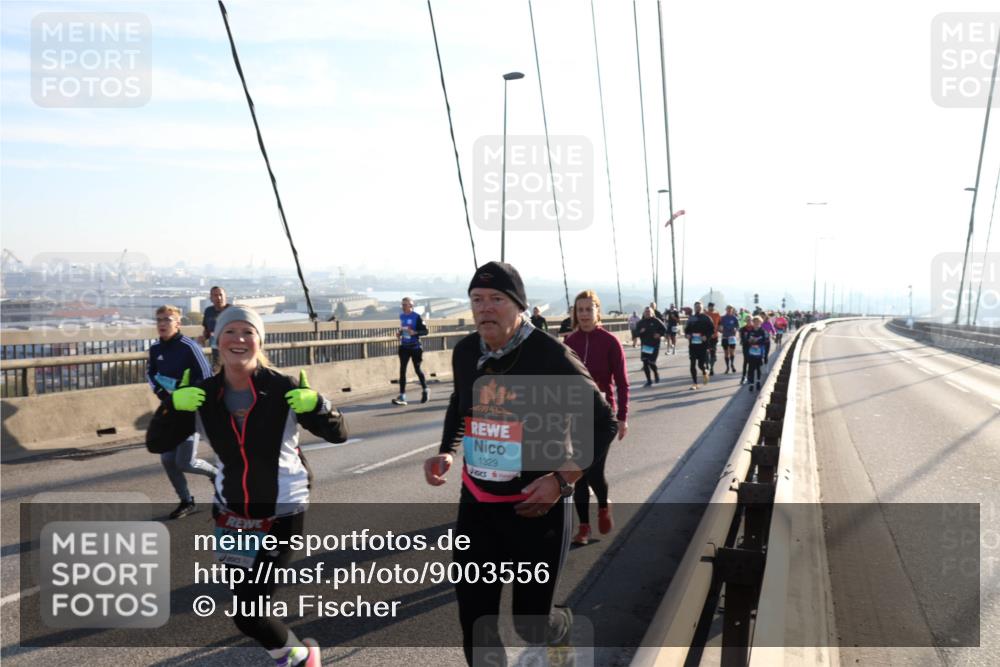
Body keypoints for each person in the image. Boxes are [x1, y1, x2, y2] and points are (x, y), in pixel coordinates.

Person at [423, 261, 616, 666]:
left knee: (531, 623)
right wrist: (447, 450)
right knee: (476, 618)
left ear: (519, 307)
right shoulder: (465, 352)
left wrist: (562, 480)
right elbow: (461, 404)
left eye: (497, 299)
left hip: (536, 508)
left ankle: (559, 627)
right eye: (477, 300)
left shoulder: (549, 356)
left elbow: (603, 422)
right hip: (477, 504)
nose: (485, 308)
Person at [147, 306, 348, 667]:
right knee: (245, 610)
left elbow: (338, 433)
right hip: (230, 513)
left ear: (260, 341)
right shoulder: (202, 394)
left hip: (281, 510)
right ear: (217, 340)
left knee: (250, 614)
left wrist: (317, 405)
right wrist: (172, 406)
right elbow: (157, 443)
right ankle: (295, 654)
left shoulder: (283, 387)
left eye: (247, 332)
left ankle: (302, 659)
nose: (239, 339)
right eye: (230, 332)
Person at [564, 290, 629, 546]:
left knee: (592, 472)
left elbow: (622, 383)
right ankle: (584, 526)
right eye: (580, 310)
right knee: (579, 472)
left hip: (604, 418)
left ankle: (603, 505)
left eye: (589, 309)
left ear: (597, 311)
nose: (584, 314)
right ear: (575, 313)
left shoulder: (610, 341)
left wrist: (623, 417)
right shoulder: (569, 342)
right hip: (577, 415)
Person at [147, 305, 218, 520]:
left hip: (191, 411)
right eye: (159, 319)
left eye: (167, 319)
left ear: (178, 323)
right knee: (168, 460)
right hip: (171, 408)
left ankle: (217, 475)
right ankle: (187, 501)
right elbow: (151, 374)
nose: (162, 323)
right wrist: (163, 394)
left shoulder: (189, 347)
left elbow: (207, 378)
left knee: (184, 462)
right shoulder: (155, 348)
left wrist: (188, 393)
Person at [392, 297, 430, 406]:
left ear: (411, 306)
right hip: (404, 347)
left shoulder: (417, 317)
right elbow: (404, 328)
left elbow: (426, 331)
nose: (403, 307)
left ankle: (425, 389)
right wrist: (400, 333)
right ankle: (402, 396)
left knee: (417, 369)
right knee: (402, 370)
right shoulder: (402, 316)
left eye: (405, 305)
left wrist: (415, 332)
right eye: (402, 304)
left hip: (415, 348)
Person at [684, 301, 715, 390]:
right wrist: (687, 335)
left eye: (699, 307)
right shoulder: (691, 318)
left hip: (703, 345)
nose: (697, 308)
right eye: (696, 307)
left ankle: (705, 372)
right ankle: (695, 383)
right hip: (693, 344)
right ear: (694, 308)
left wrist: (706, 336)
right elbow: (687, 330)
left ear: (702, 308)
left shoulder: (707, 318)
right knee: (692, 363)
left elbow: (712, 330)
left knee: (701, 365)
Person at [634, 306, 668, 387]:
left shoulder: (656, 321)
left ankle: (656, 373)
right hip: (645, 345)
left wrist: (659, 334)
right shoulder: (641, 323)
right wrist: (640, 332)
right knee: (645, 362)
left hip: (654, 345)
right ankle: (649, 381)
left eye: (649, 312)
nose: (647, 313)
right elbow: (635, 334)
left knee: (651, 362)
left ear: (652, 313)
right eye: (646, 312)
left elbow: (665, 329)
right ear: (644, 313)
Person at [199, 286, 230, 368]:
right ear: (211, 298)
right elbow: (207, 329)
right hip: (215, 349)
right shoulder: (208, 311)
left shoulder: (231, 310)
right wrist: (203, 338)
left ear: (225, 297)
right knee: (217, 371)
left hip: (230, 349)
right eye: (215, 295)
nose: (219, 298)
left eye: (221, 295)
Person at [745, 316, 768, 392]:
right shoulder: (750, 331)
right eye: (754, 322)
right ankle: (751, 384)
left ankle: (758, 381)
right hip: (751, 352)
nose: (756, 323)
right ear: (753, 322)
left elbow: (765, 340)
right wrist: (751, 343)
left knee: (758, 368)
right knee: (751, 368)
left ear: (760, 322)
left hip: (759, 352)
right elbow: (747, 340)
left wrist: (758, 344)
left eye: (758, 322)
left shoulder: (763, 331)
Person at [719, 305, 741, 374]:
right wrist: (720, 329)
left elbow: (738, 327)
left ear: (732, 310)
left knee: (732, 352)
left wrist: (736, 329)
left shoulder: (734, 318)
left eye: (730, 309)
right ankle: (727, 367)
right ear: (726, 309)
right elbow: (719, 327)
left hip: (732, 337)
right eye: (728, 309)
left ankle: (732, 364)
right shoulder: (723, 318)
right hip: (725, 337)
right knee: (726, 353)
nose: (729, 310)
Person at [705, 302, 722, 376]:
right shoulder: (705, 314)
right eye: (710, 306)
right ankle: (707, 365)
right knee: (706, 352)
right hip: (706, 336)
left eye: (712, 306)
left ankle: (711, 368)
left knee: (713, 353)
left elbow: (719, 324)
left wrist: (720, 329)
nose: (711, 308)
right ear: (708, 307)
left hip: (714, 336)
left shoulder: (717, 314)